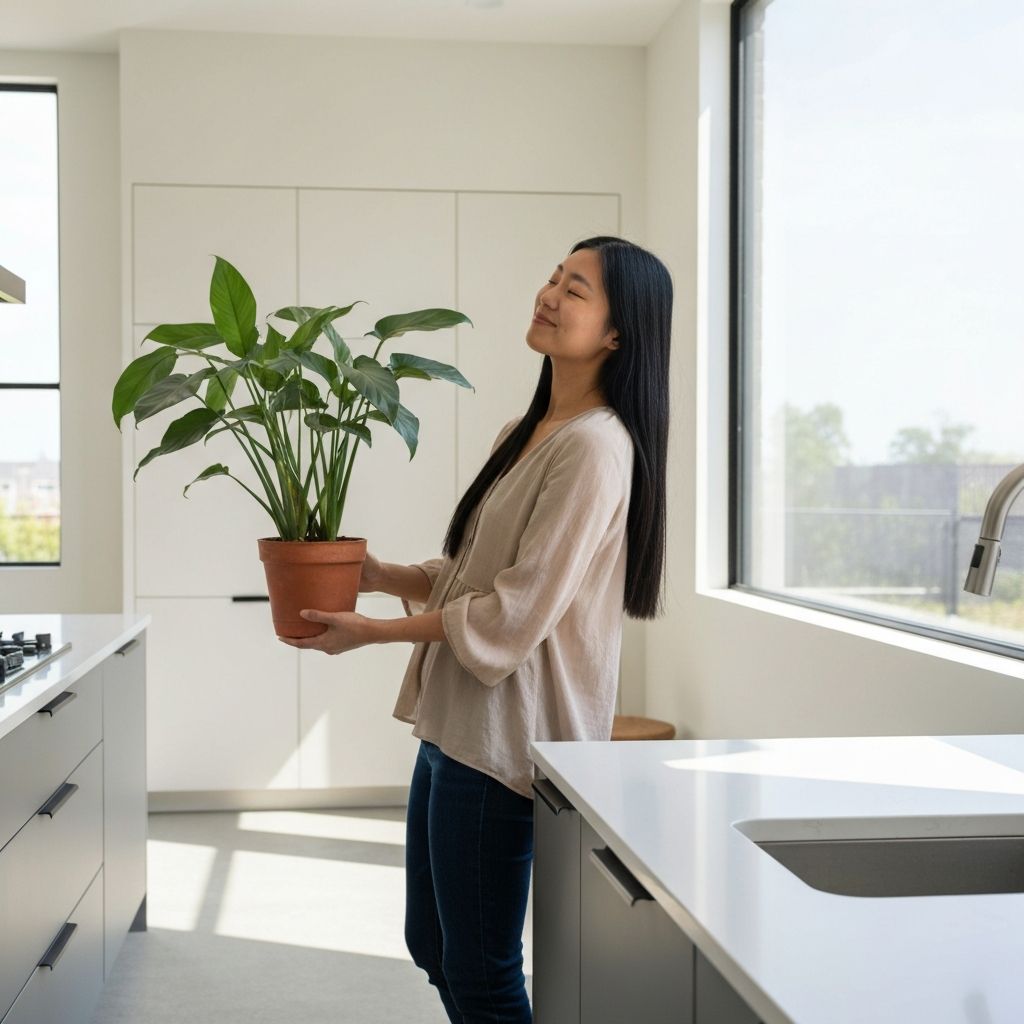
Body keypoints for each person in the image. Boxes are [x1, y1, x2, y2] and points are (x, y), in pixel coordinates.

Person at [278, 235, 672, 1023]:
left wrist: (377, 633)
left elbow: (514, 612)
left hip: (507, 742)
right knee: (433, 945)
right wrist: (385, 575)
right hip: (455, 726)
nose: (551, 294)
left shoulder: (596, 449)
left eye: (578, 289)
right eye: (555, 277)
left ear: (619, 332)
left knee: (482, 968)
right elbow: (475, 574)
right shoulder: (524, 433)